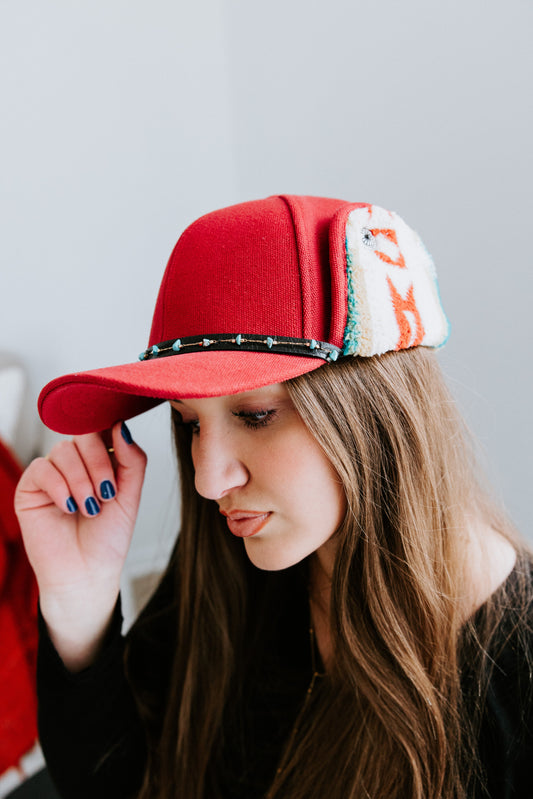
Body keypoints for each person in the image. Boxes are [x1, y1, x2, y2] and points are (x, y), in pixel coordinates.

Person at [15, 196, 533, 799]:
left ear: (373, 414)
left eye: (256, 415)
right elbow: (119, 784)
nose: (209, 482)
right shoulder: (234, 554)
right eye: (189, 424)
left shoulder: (516, 678)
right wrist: (80, 607)